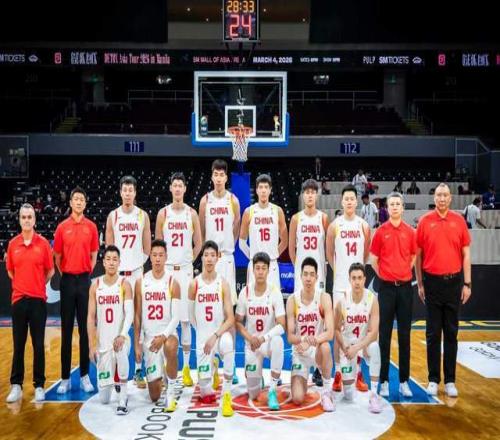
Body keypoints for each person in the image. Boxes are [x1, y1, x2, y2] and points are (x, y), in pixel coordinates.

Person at [416, 183, 472, 397]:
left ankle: (450, 381)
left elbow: (466, 254)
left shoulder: (459, 221)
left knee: (451, 333)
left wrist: (467, 284)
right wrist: (420, 283)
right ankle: (433, 379)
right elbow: (418, 256)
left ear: (450, 198)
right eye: (438, 195)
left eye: (445, 195)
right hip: (431, 283)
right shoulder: (424, 221)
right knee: (432, 333)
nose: (441, 198)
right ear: (434, 198)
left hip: (454, 283)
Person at [156, 172, 202, 387]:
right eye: (174, 185)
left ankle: (185, 368)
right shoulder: (163, 213)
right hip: (167, 270)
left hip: (184, 270)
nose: (177, 189)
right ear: (170, 188)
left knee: (185, 321)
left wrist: (188, 260)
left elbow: (199, 242)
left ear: (184, 189)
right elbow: (158, 245)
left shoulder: (191, 213)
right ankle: (166, 368)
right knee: (166, 319)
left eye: (180, 185)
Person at [105, 175, 152, 388]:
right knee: (118, 321)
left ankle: (140, 369)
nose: (127, 193)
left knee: (139, 320)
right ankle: (117, 370)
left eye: (130, 190)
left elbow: (147, 248)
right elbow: (110, 250)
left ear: (135, 193)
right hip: (118, 276)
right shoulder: (113, 216)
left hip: (136, 273)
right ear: (120, 192)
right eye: (124, 190)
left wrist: (135, 265)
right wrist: (117, 269)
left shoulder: (142, 215)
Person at [5, 203, 54, 403]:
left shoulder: (43, 244)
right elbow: (10, 271)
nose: (26, 220)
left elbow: (50, 270)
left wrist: (37, 284)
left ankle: (39, 385)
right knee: (18, 345)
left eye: (29, 217)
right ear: (19, 220)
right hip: (18, 301)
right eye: (23, 217)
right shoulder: (12, 244)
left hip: (38, 302)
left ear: (34, 220)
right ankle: (16, 385)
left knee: (38, 345)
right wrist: (22, 285)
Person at [370, 192, 417, 398]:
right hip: (386, 289)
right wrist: (385, 275)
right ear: (387, 208)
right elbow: (373, 259)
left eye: (398, 204)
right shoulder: (381, 231)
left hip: (405, 289)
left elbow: (414, 255)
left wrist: (404, 271)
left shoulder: (410, 232)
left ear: (402, 208)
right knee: (384, 336)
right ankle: (384, 381)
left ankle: (404, 381)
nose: (395, 207)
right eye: (392, 204)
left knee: (405, 335)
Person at [53, 187, 98, 394]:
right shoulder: (62, 227)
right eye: (76, 199)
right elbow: (57, 257)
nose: (79, 202)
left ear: (85, 203)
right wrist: (67, 274)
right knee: (66, 330)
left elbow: (94, 254)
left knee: (85, 331)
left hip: (85, 281)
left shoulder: (91, 227)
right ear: (71, 203)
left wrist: (85, 272)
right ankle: (65, 378)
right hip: (68, 281)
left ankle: (85, 376)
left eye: (82, 199)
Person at [326, 184, 371, 393]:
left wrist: (357, 277)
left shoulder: (364, 225)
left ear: (356, 201)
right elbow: (329, 254)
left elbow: (365, 255)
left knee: (359, 329)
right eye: (347, 199)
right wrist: (339, 272)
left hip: (358, 286)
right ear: (342, 201)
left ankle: (358, 373)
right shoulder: (334, 226)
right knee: (339, 329)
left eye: (353, 198)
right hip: (340, 285)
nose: (350, 202)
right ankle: (337, 373)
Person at [188, 241, 235, 417]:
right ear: (202, 258)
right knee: (206, 394)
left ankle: (227, 395)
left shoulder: (223, 284)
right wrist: (203, 334)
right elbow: (191, 316)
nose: (209, 259)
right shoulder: (194, 284)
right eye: (206, 255)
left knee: (228, 343)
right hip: (203, 338)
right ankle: (212, 366)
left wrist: (215, 335)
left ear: (218, 258)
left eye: (212, 255)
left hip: (219, 335)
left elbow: (230, 318)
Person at [134, 240, 181, 411]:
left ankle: (171, 393)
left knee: (171, 346)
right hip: (149, 340)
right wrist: (137, 344)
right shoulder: (141, 282)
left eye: (161, 255)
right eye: (154, 255)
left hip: (167, 335)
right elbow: (137, 316)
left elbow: (176, 317)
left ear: (166, 257)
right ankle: (162, 375)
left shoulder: (173, 282)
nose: (158, 259)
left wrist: (163, 336)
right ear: (150, 257)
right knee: (154, 396)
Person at [235, 252, 286, 410]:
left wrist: (264, 338)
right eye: (257, 268)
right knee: (253, 394)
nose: (260, 272)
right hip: (252, 345)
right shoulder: (245, 292)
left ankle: (272, 390)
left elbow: (282, 325)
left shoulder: (274, 292)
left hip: (267, 342)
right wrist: (250, 338)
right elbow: (238, 322)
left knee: (278, 342)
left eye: (264, 268)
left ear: (268, 270)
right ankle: (256, 377)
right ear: (253, 270)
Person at [87, 245, 133, 415]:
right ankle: (114, 379)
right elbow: (90, 317)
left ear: (119, 262)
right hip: (103, 345)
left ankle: (123, 398)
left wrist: (122, 335)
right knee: (104, 399)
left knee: (120, 350)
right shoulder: (95, 286)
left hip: (121, 340)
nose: (112, 262)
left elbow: (129, 314)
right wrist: (92, 345)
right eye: (108, 259)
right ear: (104, 262)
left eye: (115, 259)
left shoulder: (124, 284)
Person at [286, 257, 335, 411]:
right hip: (300, 352)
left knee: (326, 347)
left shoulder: (324, 298)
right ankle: (301, 381)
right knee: (297, 399)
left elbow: (330, 333)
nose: (308, 278)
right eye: (305, 274)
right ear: (300, 276)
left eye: (312, 274)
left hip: (317, 350)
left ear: (317, 277)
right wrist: (303, 340)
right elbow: (290, 337)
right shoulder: (292, 300)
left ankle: (326, 392)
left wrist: (311, 341)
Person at [334, 263, 384, 413]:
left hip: (364, 345)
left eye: (360, 278)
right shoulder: (342, 300)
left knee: (375, 347)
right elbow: (336, 329)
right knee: (349, 395)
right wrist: (345, 347)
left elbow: (374, 332)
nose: (357, 282)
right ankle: (350, 376)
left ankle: (374, 395)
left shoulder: (372, 299)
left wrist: (358, 348)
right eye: (354, 278)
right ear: (349, 280)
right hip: (348, 348)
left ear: (364, 279)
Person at [198, 159, 241, 306]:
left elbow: (237, 227)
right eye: (216, 174)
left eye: (221, 175)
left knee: (228, 302)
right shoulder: (205, 201)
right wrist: (207, 250)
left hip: (227, 256)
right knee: (210, 301)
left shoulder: (233, 200)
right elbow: (201, 229)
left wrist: (229, 243)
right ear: (212, 177)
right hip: (210, 257)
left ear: (226, 178)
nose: (218, 178)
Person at [239, 174, 288, 289]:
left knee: (273, 298)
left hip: (272, 264)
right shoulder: (249, 212)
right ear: (256, 190)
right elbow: (241, 242)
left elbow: (285, 241)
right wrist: (253, 257)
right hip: (255, 265)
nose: (263, 190)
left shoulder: (277, 211)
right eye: (260, 187)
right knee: (253, 298)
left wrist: (274, 255)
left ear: (270, 190)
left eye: (266, 187)